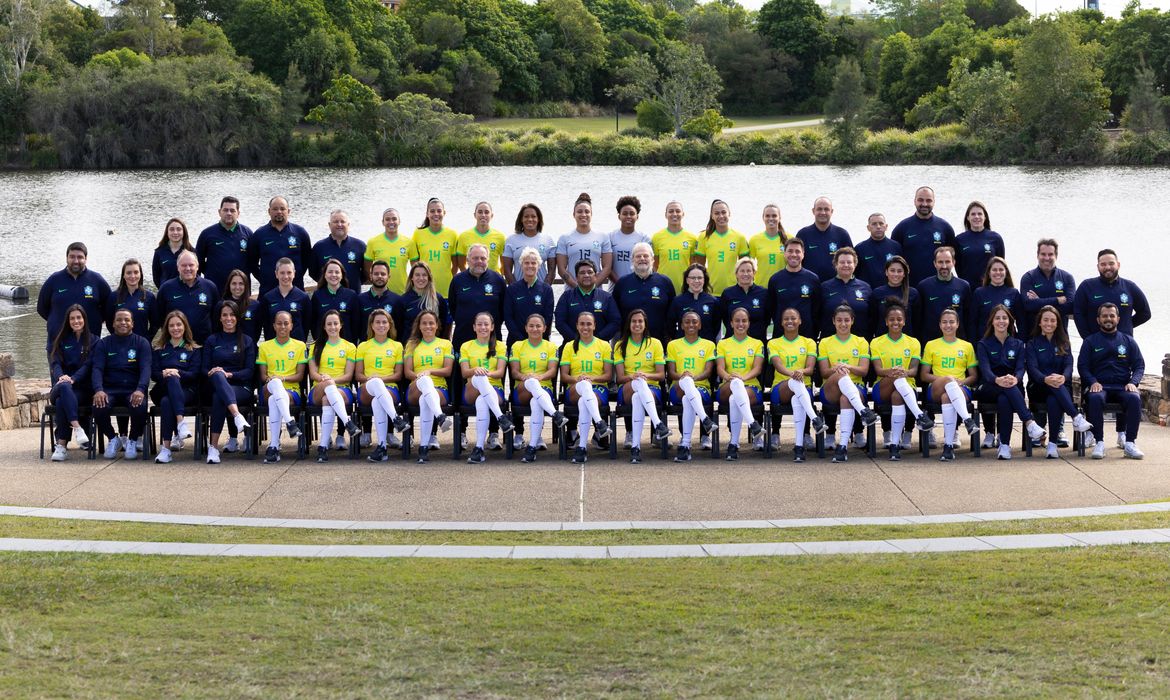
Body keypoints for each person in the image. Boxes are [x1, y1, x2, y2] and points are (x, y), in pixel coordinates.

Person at [976, 305, 1047, 460]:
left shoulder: (1018, 344)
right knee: (1005, 392)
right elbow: (986, 370)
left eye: (1004, 318)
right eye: (997, 318)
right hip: (989, 387)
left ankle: (1005, 446)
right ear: (992, 322)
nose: (1001, 321)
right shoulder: (983, 344)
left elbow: (1021, 368)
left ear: (1009, 321)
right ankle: (1029, 423)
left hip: (1012, 386)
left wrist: (1016, 378)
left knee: (1005, 399)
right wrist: (997, 380)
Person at [1078, 303, 1146, 460]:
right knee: (1094, 398)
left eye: (1111, 315)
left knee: (1135, 398)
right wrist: (1092, 381)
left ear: (1118, 319)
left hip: (1122, 386)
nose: (1108, 319)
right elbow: (1083, 366)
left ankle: (1130, 443)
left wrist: (1133, 382)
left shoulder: (1128, 341)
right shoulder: (1090, 341)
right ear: (1098, 319)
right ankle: (1099, 443)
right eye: (1104, 316)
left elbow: (1139, 365)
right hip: (1100, 386)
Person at [1025, 305, 1094, 459]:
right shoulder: (1032, 344)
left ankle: (1052, 445)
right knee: (1054, 391)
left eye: (1052, 320)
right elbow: (1032, 368)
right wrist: (1045, 379)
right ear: (1040, 323)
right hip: (1038, 387)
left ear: (1057, 323)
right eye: (1046, 320)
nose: (1049, 323)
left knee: (1054, 400)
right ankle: (1075, 417)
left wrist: (1063, 376)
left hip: (1060, 386)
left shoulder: (1064, 343)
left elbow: (1069, 365)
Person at [868, 301, 933, 460]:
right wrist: (893, 372)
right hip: (882, 387)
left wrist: (904, 372)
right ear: (886, 321)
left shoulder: (913, 342)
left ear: (904, 321)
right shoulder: (876, 342)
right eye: (891, 319)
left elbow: (914, 371)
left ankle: (894, 446)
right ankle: (919, 415)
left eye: (899, 319)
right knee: (896, 377)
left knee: (898, 396)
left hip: (905, 387)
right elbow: (878, 370)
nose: (895, 322)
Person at [968, 256, 1023, 446]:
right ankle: (990, 431)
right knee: (988, 383)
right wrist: (977, 345)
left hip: (1008, 348)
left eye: (1001, 270)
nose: (998, 273)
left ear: (1006, 272)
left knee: (1002, 393)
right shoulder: (980, 293)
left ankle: (1001, 434)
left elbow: (1020, 321)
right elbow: (973, 321)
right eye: (994, 270)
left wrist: (1017, 344)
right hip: (985, 347)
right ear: (988, 273)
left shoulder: (1013, 293)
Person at [817, 305, 878, 463]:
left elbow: (864, 371)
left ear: (852, 321)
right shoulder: (825, 342)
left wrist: (848, 367)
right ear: (833, 322)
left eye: (846, 320)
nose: (843, 324)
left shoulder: (861, 342)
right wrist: (837, 370)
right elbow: (824, 372)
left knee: (846, 398)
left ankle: (842, 447)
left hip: (855, 388)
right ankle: (864, 411)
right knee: (840, 374)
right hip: (830, 389)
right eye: (839, 320)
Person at [92, 308, 152, 460]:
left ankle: (132, 440)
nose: (122, 323)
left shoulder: (142, 343)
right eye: (119, 320)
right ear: (113, 323)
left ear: (132, 323)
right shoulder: (104, 344)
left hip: (133, 389)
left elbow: (146, 369)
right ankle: (113, 438)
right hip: (110, 390)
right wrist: (99, 390)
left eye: (126, 320)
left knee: (139, 406)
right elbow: (97, 369)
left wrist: (140, 389)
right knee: (98, 406)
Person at [921, 309, 980, 461]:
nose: (948, 325)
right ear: (940, 325)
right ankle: (967, 420)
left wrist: (961, 382)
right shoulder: (931, 345)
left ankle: (948, 447)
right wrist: (947, 379)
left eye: (952, 322)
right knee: (948, 381)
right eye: (945, 322)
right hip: (935, 387)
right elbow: (924, 375)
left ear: (958, 324)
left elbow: (973, 376)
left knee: (948, 397)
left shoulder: (967, 346)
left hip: (960, 389)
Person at [767, 307, 826, 460]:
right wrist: (794, 374)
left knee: (797, 400)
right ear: (781, 322)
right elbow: (778, 365)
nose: (790, 321)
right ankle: (814, 419)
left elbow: (810, 368)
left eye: (793, 318)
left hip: (802, 389)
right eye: (786, 318)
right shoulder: (774, 343)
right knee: (795, 385)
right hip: (781, 389)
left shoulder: (809, 342)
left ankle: (798, 447)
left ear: (800, 321)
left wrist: (801, 372)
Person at [613, 309, 671, 463]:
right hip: (627, 387)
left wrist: (646, 376)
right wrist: (632, 377)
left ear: (645, 324)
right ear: (629, 324)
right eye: (634, 321)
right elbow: (619, 378)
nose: (637, 324)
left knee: (639, 397)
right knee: (638, 384)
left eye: (640, 321)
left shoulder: (655, 343)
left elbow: (660, 375)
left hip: (651, 389)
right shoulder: (620, 345)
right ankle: (658, 423)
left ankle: (636, 448)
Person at [509, 314, 568, 462]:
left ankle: (532, 447)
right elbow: (514, 372)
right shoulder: (517, 346)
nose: (535, 329)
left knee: (536, 402)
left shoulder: (551, 346)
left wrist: (538, 378)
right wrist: (526, 377)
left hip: (543, 389)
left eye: (538, 326)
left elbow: (553, 371)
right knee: (531, 383)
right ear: (526, 328)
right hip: (522, 390)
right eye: (531, 326)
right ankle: (555, 414)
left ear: (545, 328)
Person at [202, 300, 255, 464]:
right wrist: (218, 373)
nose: (228, 318)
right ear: (220, 318)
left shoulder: (246, 340)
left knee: (220, 392)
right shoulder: (212, 340)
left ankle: (213, 447)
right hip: (217, 385)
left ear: (237, 317)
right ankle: (237, 415)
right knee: (217, 376)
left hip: (241, 387)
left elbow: (249, 371)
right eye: (224, 315)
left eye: (232, 315)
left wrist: (229, 374)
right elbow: (204, 369)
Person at [460, 312, 515, 463]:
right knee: (478, 377)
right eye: (479, 324)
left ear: (492, 327)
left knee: (482, 402)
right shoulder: (466, 346)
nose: (483, 327)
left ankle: (479, 449)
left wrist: (484, 372)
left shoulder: (500, 346)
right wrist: (475, 370)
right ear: (474, 327)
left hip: (494, 390)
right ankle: (500, 417)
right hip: (471, 389)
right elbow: (465, 373)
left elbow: (500, 373)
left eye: (486, 324)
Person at [308, 309, 362, 463]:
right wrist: (325, 380)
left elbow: (348, 376)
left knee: (328, 400)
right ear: (324, 327)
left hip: (342, 389)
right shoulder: (316, 346)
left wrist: (331, 381)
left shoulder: (349, 347)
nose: (332, 327)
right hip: (318, 388)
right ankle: (347, 422)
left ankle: (323, 447)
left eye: (335, 323)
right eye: (329, 324)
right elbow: (313, 374)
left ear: (341, 325)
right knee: (326, 393)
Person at [356, 309, 410, 462]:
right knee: (375, 385)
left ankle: (382, 448)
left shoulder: (397, 346)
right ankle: (396, 419)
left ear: (389, 325)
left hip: (389, 389)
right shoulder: (363, 346)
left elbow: (398, 375)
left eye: (384, 322)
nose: (381, 325)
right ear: (371, 326)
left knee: (377, 401)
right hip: (366, 388)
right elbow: (358, 375)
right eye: (377, 322)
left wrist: (380, 379)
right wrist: (371, 379)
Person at [560, 312, 614, 464]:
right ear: (577, 326)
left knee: (585, 401)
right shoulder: (569, 346)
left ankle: (582, 448)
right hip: (574, 389)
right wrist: (578, 379)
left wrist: (592, 378)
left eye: (589, 324)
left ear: (594, 326)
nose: (585, 327)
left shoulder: (603, 345)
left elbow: (608, 375)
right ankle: (600, 423)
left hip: (598, 389)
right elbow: (564, 376)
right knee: (583, 386)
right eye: (582, 324)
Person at [666, 311, 718, 461]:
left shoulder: (708, 344)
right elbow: (671, 372)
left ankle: (685, 445)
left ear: (700, 325)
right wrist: (684, 377)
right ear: (682, 325)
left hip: (701, 388)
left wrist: (692, 378)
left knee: (687, 399)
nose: (691, 325)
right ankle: (705, 419)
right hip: (677, 388)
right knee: (686, 383)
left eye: (694, 322)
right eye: (687, 322)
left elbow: (708, 372)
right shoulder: (673, 345)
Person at [38, 242, 111, 349]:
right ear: (66, 258)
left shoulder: (97, 280)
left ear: (86, 259)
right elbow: (41, 308)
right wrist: (57, 320)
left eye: (80, 257)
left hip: (89, 344)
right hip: (58, 344)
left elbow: (109, 307)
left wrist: (95, 319)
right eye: (72, 257)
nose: (76, 261)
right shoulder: (54, 279)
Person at [150, 311, 201, 464]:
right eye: (171, 325)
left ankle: (165, 450)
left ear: (185, 326)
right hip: (162, 389)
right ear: (167, 328)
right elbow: (153, 374)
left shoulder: (194, 349)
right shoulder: (159, 348)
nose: (175, 328)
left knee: (167, 402)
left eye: (179, 324)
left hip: (187, 392)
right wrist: (164, 373)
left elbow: (195, 374)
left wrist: (178, 372)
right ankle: (181, 422)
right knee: (170, 379)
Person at [257, 310, 307, 463]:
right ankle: (290, 422)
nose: (283, 326)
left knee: (274, 400)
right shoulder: (264, 346)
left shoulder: (300, 346)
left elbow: (299, 376)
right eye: (279, 323)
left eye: (286, 323)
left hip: (291, 392)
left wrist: (282, 378)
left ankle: (273, 446)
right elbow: (263, 376)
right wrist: (274, 380)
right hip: (268, 388)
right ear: (274, 326)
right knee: (275, 385)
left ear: (291, 325)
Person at [405, 310, 455, 462]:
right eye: (424, 323)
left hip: (439, 390)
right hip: (415, 388)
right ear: (419, 326)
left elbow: (448, 370)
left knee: (425, 400)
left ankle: (423, 448)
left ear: (437, 325)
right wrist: (421, 376)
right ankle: (440, 416)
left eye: (431, 323)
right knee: (425, 382)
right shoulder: (412, 344)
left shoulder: (445, 344)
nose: (428, 326)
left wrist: (429, 371)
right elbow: (408, 372)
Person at [716, 307, 766, 459]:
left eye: (744, 321)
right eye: (737, 321)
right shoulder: (723, 344)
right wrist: (730, 377)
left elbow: (757, 369)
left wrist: (742, 379)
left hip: (750, 386)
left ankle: (734, 444)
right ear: (730, 323)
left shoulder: (757, 343)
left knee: (734, 399)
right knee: (735, 387)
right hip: (727, 386)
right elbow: (720, 369)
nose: (740, 324)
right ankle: (753, 424)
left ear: (749, 323)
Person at [47, 305, 94, 461]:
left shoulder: (94, 340)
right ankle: (77, 427)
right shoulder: (61, 340)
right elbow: (55, 364)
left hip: (82, 390)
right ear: (68, 321)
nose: (76, 321)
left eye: (79, 317)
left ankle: (61, 445)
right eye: (72, 318)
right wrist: (62, 377)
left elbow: (89, 366)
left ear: (84, 320)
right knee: (63, 389)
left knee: (61, 403)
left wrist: (73, 378)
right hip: (60, 386)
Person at [1073, 248, 1151, 339]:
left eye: (1111, 263)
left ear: (1118, 265)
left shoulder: (1130, 287)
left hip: (1123, 346)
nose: (1107, 267)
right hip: (1095, 345)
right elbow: (1078, 314)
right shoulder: (1086, 286)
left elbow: (1145, 313)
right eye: (1103, 264)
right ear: (1098, 267)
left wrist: (1126, 326)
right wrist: (1088, 338)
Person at [891, 186, 957, 285]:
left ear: (934, 202)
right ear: (914, 201)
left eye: (928, 200)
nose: (924, 204)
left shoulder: (945, 228)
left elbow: (952, 260)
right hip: (909, 286)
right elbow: (894, 261)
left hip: (938, 286)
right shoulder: (901, 228)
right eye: (920, 200)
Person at [248, 196, 312, 297]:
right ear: (269, 211)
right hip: (268, 290)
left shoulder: (300, 233)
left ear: (289, 211)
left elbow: (307, 261)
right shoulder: (259, 235)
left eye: (282, 209)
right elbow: (252, 263)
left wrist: (295, 275)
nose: (279, 211)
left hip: (295, 290)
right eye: (275, 209)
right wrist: (265, 278)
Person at [448, 243, 506, 351]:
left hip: (491, 339)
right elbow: (453, 307)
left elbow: (503, 309)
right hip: (463, 338)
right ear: (467, 260)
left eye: (483, 258)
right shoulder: (457, 280)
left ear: (488, 260)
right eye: (475, 258)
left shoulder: (498, 280)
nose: (479, 261)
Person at [613, 242, 675, 343]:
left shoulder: (665, 282)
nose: (642, 258)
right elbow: (615, 314)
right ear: (632, 260)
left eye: (646, 256)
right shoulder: (622, 283)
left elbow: (672, 314)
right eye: (638, 256)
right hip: (628, 344)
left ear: (652, 259)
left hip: (659, 344)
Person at [155, 251, 218, 343]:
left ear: (197, 266)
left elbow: (216, 317)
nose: (188, 268)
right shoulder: (166, 288)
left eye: (191, 265)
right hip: (176, 345)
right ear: (178, 267)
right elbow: (160, 317)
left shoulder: (210, 287)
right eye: (184, 265)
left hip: (203, 345)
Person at [765, 237, 822, 340]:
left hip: (806, 336)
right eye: (790, 251)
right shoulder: (775, 279)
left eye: (797, 251)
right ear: (785, 253)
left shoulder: (813, 279)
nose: (794, 255)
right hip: (781, 337)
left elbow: (816, 310)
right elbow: (772, 309)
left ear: (803, 254)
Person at [1019, 238, 1075, 340]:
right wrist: (1057, 300)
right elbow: (1029, 305)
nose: (1047, 258)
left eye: (1050, 254)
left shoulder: (1067, 278)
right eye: (1043, 254)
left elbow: (1069, 306)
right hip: (1034, 338)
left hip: (1060, 339)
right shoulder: (1028, 277)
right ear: (1037, 255)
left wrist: (1039, 301)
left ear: (1056, 256)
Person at [195, 196, 252, 293]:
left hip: (241, 290)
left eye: (232, 210)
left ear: (238, 213)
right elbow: (198, 263)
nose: (229, 213)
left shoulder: (247, 233)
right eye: (225, 210)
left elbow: (253, 262)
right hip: (215, 288)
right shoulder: (207, 234)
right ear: (219, 212)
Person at [554, 259, 620, 342]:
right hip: (572, 346)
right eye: (582, 273)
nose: (586, 275)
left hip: (600, 348)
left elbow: (615, 322)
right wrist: (576, 340)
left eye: (590, 272)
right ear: (577, 277)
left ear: (595, 276)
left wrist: (597, 340)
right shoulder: (566, 297)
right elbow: (560, 322)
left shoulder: (607, 298)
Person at [556, 193, 613, 288]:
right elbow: (561, 269)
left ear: (591, 214)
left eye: (587, 211)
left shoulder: (602, 237)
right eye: (579, 212)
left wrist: (593, 287)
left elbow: (607, 268)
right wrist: (577, 287)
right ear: (574, 214)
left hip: (595, 291)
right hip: (572, 291)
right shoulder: (564, 238)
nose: (583, 214)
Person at [916, 246, 971, 343]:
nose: (944, 266)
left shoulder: (964, 286)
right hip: (931, 344)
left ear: (953, 262)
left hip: (957, 344)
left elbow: (968, 319)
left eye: (947, 261)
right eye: (940, 262)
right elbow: (919, 319)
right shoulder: (923, 287)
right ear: (935, 264)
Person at [694, 199, 748, 296]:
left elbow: (745, 267)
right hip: (711, 292)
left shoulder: (739, 237)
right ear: (712, 216)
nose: (721, 216)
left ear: (729, 213)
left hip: (734, 291)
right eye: (717, 213)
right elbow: (699, 267)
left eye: (724, 212)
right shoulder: (704, 237)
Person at [408, 198, 460, 298]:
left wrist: (445, 277)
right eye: (432, 211)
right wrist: (420, 279)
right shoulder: (418, 234)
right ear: (427, 214)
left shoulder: (452, 234)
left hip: (445, 290)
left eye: (439, 211)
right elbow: (414, 263)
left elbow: (455, 265)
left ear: (444, 213)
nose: (436, 214)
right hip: (424, 289)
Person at [503, 247, 554, 345]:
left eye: (533, 263)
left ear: (539, 266)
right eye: (526, 263)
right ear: (521, 265)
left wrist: (536, 339)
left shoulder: (546, 289)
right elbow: (508, 318)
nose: (530, 266)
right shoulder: (512, 289)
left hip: (539, 342)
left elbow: (548, 317)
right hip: (516, 342)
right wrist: (521, 340)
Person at [794, 196, 852, 281]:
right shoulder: (803, 234)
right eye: (819, 209)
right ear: (813, 211)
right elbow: (796, 261)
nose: (823, 212)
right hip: (808, 285)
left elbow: (851, 262)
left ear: (832, 211)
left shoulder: (842, 234)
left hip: (836, 286)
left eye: (826, 209)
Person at [819, 247, 872, 340]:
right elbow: (817, 315)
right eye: (842, 262)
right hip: (830, 345)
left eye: (849, 262)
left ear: (855, 264)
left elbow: (871, 317)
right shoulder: (824, 287)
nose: (846, 265)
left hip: (860, 345)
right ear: (835, 264)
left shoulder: (865, 288)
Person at [309, 209, 365, 294]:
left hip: (354, 297)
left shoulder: (360, 246)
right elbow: (313, 272)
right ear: (329, 225)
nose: (339, 225)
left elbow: (366, 273)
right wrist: (328, 282)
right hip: (327, 296)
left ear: (348, 224)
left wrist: (354, 282)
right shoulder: (319, 247)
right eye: (335, 222)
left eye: (343, 221)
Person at [308, 258, 362, 343]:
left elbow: (356, 324)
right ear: (325, 275)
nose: (333, 274)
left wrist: (352, 344)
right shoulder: (317, 295)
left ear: (342, 275)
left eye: (337, 272)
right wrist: (318, 340)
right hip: (324, 346)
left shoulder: (351, 295)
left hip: (346, 347)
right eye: (330, 272)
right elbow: (313, 323)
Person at [501, 203, 556, 285]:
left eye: (533, 216)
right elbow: (507, 270)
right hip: (519, 291)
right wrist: (516, 290)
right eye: (526, 216)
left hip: (541, 292)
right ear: (521, 219)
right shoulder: (511, 240)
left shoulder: (548, 240)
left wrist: (544, 289)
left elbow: (552, 271)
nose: (530, 219)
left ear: (538, 219)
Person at [258, 258, 310, 342]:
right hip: (274, 347)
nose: (286, 276)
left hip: (296, 347)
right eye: (282, 273)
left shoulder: (303, 297)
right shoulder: (268, 298)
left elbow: (306, 325)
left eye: (289, 273)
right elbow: (266, 325)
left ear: (294, 273)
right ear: (276, 274)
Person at [668, 264, 723, 344]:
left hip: (706, 349)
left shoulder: (713, 302)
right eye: (693, 278)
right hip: (683, 347)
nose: (696, 281)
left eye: (700, 278)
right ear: (687, 280)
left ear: (704, 280)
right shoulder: (677, 301)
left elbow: (716, 327)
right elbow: (670, 326)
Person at [954, 201, 1005, 289]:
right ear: (968, 218)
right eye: (973, 214)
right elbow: (958, 266)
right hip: (968, 288)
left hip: (989, 288)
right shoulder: (959, 240)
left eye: (980, 214)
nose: (976, 217)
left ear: (985, 217)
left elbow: (1000, 265)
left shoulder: (996, 238)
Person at [364, 208, 412, 295]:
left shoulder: (409, 242)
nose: (391, 222)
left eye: (394, 219)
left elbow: (415, 267)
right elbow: (367, 267)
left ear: (399, 221)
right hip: (381, 292)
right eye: (387, 219)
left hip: (402, 292)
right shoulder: (373, 242)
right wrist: (373, 280)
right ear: (383, 222)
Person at [651, 201, 697, 294]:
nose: (674, 214)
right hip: (663, 287)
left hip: (685, 288)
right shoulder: (657, 237)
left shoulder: (692, 238)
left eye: (678, 211)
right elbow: (655, 264)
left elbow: (692, 264)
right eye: (671, 211)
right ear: (666, 215)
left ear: (683, 214)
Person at [720, 257, 768, 342]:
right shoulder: (727, 293)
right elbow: (725, 319)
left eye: (749, 271)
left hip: (757, 342)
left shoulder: (764, 293)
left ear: (754, 273)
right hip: (733, 342)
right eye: (742, 271)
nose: (745, 274)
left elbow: (767, 318)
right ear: (736, 274)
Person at [106, 258, 156, 341]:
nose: (132, 276)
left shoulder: (149, 297)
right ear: (124, 275)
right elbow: (109, 322)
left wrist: (146, 340)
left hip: (141, 345)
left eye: (136, 272)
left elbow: (155, 324)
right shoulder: (114, 297)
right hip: (119, 344)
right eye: (129, 273)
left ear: (140, 274)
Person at [399, 261, 451, 341]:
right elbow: (400, 328)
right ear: (411, 278)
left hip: (432, 347)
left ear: (429, 278)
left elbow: (443, 326)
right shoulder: (403, 300)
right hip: (410, 347)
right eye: (417, 275)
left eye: (424, 275)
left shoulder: (438, 299)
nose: (421, 278)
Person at [870, 256, 920, 339]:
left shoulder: (913, 294)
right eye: (892, 270)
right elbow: (873, 322)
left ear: (904, 273)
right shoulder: (877, 293)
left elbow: (917, 323)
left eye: (899, 271)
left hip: (907, 345)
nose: (895, 274)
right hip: (882, 344)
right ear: (886, 272)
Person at [608, 195, 652, 285]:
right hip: (616, 286)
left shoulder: (644, 238)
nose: (628, 216)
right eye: (624, 213)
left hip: (638, 286)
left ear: (637, 216)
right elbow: (607, 267)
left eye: (632, 213)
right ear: (619, 216)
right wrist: (621, 283)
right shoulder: (610, 237)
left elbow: (649, 265)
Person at [357, 260, 403, 342]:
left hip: (390, 351)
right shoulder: (360, 299)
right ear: (370, 276)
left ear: (389, 276)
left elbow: (399, 328)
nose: (379, 276)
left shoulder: (397, 300)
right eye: (376, 274)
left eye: (383, 274)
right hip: (366, 350)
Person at [853, 213, 902, 289]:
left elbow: (901, 271)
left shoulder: (896, 247)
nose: (878, 227)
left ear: (886, 226)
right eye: (874, 224)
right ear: (868, 227)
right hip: (867, 292)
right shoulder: (859, 248)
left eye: (881, 223)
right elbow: (855, 274)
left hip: (890, 292)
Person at [455, 201, 506, 273]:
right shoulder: (464, 236)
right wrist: (469, 278)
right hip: (472, 279)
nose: (483, 215)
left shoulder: (500, 237)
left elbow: (504, 265)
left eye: (487, 212)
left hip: (492, 280)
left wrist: (496, 277)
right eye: (480, 212)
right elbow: (461, 264)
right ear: (475, 215)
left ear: (491, 216)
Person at [749, 203, 789, 286]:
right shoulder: (754, 240)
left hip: (782, 286)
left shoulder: (789, 239)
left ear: (779, 217)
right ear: (763, 218)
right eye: (767, 216)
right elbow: (749, 267)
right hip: (761, 286)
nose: (771, 218)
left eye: (774, 216)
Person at [218, 269, 261, 344]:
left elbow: (257, 330)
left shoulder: (255, 306)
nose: (237, 287)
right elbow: (217, 328)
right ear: (229, 285)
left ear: (246, 285)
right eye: (234, 283)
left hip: (248, 348)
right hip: (227, 348)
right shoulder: (221, 305)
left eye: (241, 283)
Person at [152, 218, 195, 289]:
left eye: (179, 229)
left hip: (187, 292)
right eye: (172, 229)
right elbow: (156, 276)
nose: (175, 232)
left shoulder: (191, 251)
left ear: (184, 232)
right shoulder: (159, 252)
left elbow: (196, 273)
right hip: (166, 293)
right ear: (167, 232)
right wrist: (163, 289)